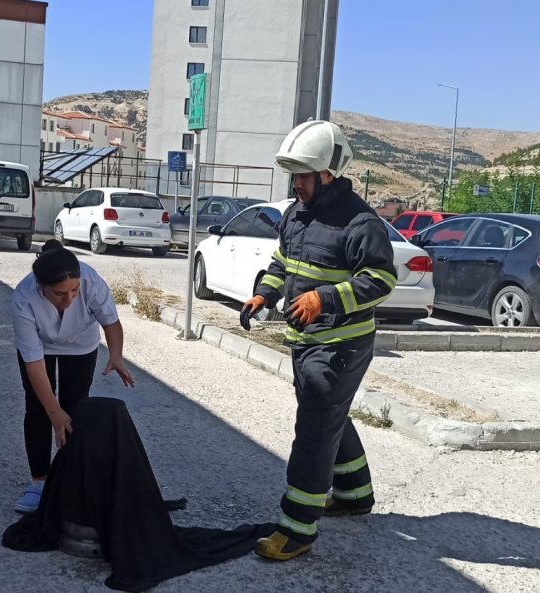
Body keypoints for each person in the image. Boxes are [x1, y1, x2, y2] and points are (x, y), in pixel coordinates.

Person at [242, 120, 397, 561]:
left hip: (341, 346)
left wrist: (324, 298)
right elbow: (282, 262)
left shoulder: (361, 222)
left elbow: (382, 280)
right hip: (305, 341)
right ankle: (354, 494)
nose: (297, 184)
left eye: (304, 176)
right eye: (294, 176)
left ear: (328, 173)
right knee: (329, 414)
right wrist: (263, 294)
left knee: (313, 430)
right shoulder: (296, 214)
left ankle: (297, 528)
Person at [10, 239, 135, 514]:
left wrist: (116, 355)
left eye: (74, 291)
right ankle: (39, 483)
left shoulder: (91, 280)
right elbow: (33, 363)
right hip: (40, 345)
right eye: (59, 294)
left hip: (81, 343)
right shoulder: (23, 297)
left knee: (76, 407)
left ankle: (71, 477)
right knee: (40, 407)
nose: (69, 300)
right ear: (41, 287)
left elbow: (111, 322)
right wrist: (53, 411)